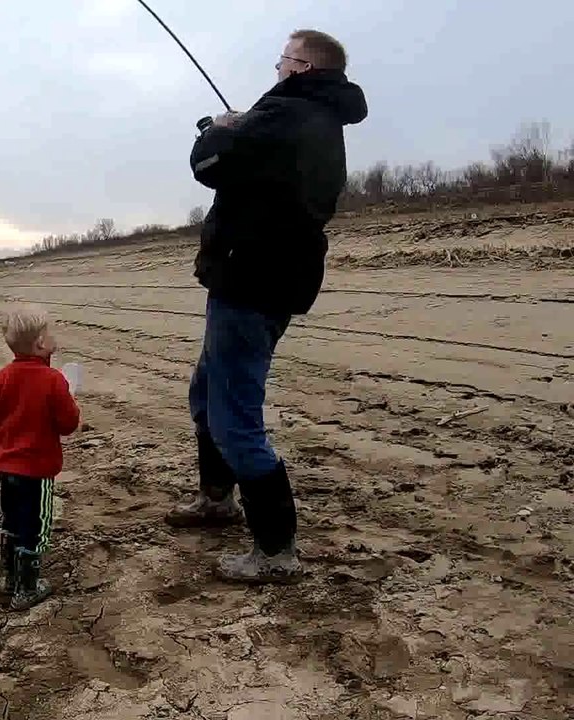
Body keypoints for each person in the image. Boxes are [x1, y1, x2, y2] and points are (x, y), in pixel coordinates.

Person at [167, 29, 369, 583]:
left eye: (283, 58)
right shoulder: (312, 118)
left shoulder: (286, 115)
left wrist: (219, 128)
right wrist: (241, 127)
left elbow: (208, 166)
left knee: (234, 420)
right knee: (208, 395)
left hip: (251, 280)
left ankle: (276, 551)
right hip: (267, 278)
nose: (276, 66)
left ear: (302, 67)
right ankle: (216, 500)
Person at [0, 306, 81, 610]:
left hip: (7, 467)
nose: (55, 337)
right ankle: (27, 587)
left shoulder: (4, 376)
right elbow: (68, 424)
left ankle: (10, 577)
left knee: (11, 520)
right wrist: (72, 404)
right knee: (36, 526)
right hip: (37, 471)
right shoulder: (53, 380)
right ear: (40, 343)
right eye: (50, 332)